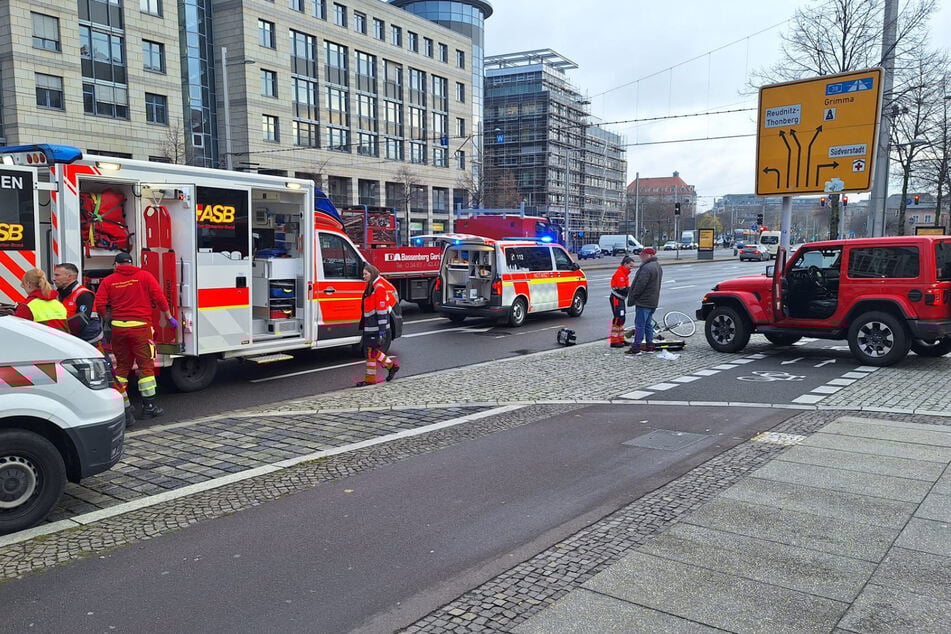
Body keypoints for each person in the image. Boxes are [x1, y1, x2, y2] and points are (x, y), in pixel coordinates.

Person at [94, 252, 176, 418]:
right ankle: (149, 406)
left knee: (122, 367)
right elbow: (159, 298)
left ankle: (121, 405)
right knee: (145, 366)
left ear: (116, 265)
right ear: (131, 263)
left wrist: (107, 319)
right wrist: (169, 317)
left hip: (118, 328)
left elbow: (100, 304)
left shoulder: (108, 280)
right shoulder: (145, 276)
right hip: (140, 328)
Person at [355, 263, 400, 387]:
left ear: (372, 274)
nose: (363, 276)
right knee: (372, 351)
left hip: (375, 328)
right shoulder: (372, 286)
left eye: (365, 274)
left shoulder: (378, 288)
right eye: (363, 274)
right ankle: (391, 367)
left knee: (370, 352)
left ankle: (371, 378)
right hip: (371, 327)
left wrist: (382, 331)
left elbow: (381, 311)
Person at [626, 247, 663, 355]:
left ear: (649, 255)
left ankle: (636, 347)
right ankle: (650, 346)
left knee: (640, 325)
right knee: (648, 324)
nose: (641, 257)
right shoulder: (657, 266)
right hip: (653, 301)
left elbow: (640, 285)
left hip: (643, 301)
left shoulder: (646, 268)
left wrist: (634, 296)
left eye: (642, 255)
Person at [52, 262, 101, 343]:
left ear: (69, 277)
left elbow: (80, 322)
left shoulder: (84, 294)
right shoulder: (59, 294)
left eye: (57, 275)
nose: (53, 279)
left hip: (86, 340)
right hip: (69, 337)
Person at [608, 256, 636, 348]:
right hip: (616, 298)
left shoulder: (624, 274)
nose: (631, 268)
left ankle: (620, 338)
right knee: (618, 318)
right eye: (630, 266)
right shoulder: (620, 274)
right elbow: (622, 288)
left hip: (620, 298)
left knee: (621, 318)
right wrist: (632, 290)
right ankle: (614, 340)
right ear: (625, 264)